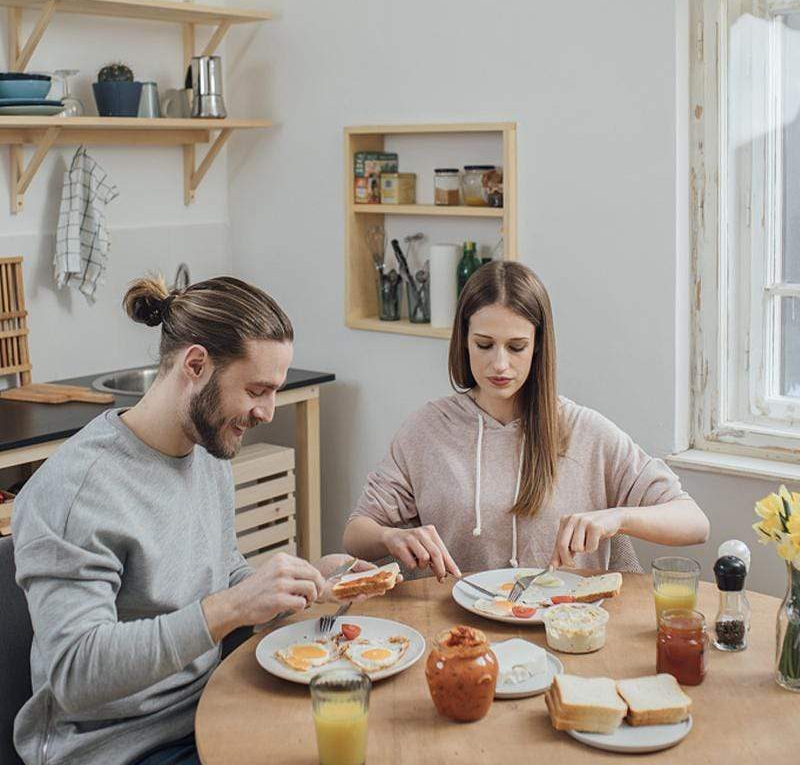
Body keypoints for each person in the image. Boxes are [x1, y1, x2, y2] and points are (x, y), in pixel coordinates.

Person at [12, 275, 369, 765]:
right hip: (118, 749)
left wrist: (309, 585)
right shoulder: (78, 491)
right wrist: (231, 606)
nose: (267, 411)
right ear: (196, 364)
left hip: (209, 709)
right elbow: (76, 673)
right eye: (257, 390)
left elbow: (223, 577)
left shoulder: (206, 452)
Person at [343, 261, 710, 579]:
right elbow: (356, 533)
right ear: (463, 341)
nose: (499, 364)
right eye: (484, 345)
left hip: (563, 631)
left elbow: (694, 522)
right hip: (456, 636)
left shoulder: (586, 431)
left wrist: (617, 518)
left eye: (516, 347)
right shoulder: (426, 430)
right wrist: (390, 537)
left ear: (537, 346)